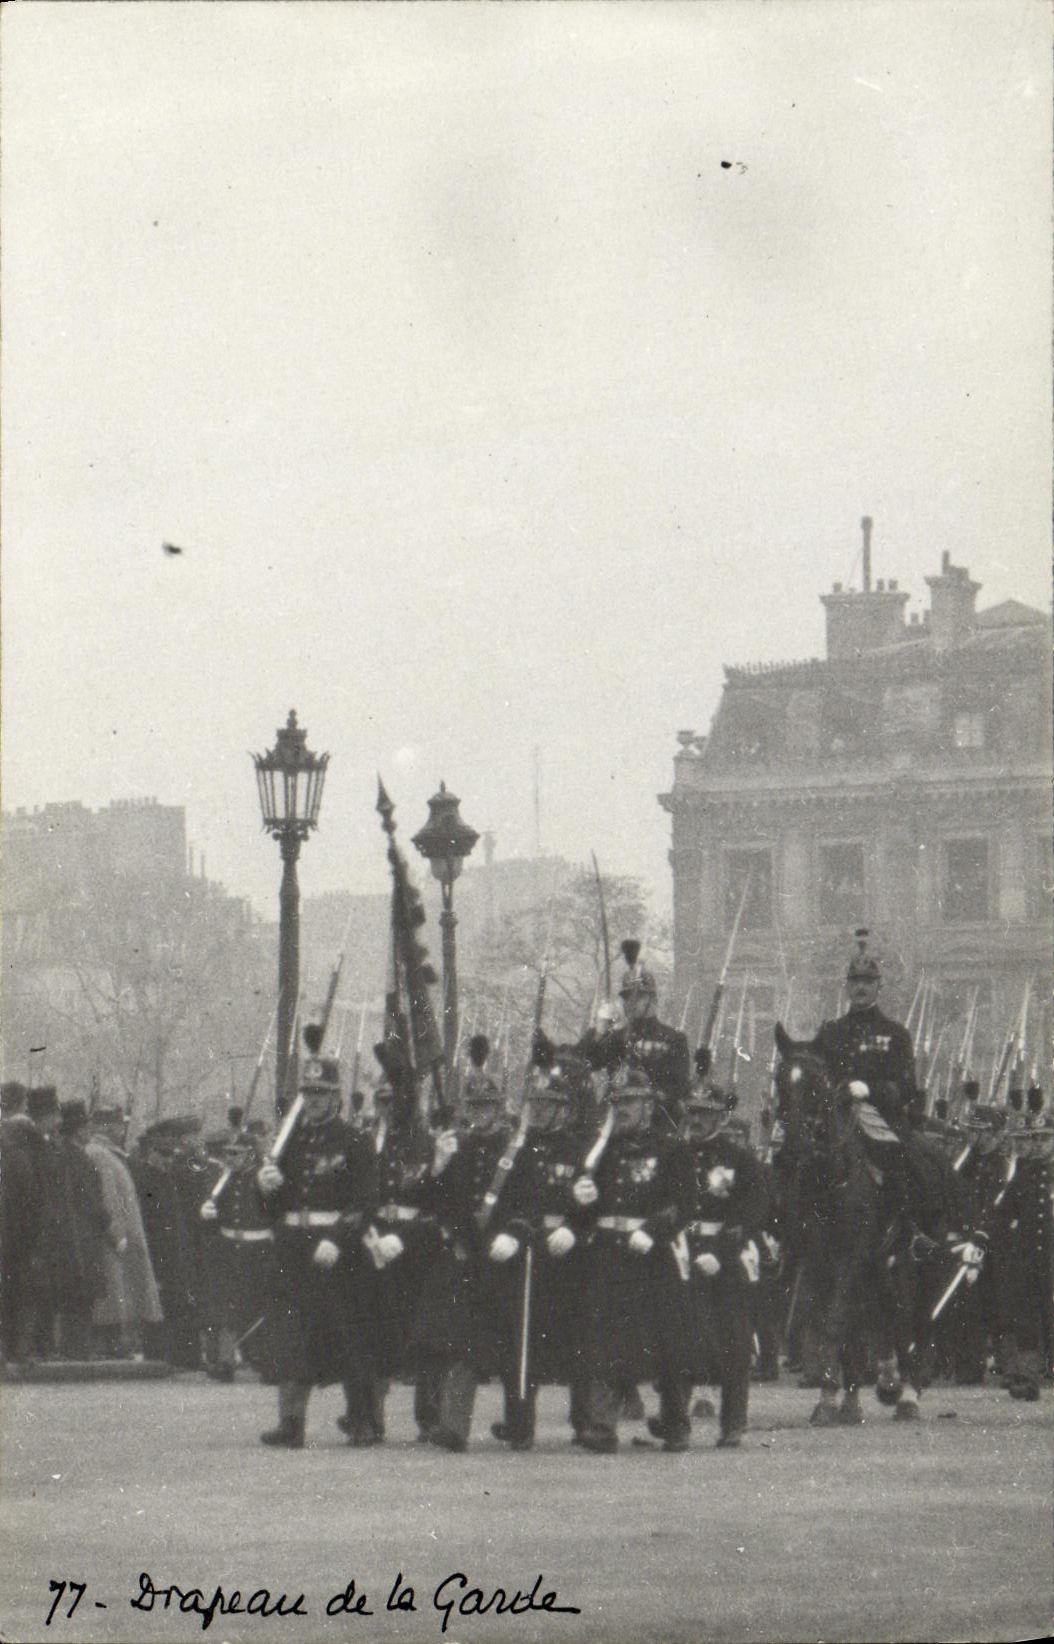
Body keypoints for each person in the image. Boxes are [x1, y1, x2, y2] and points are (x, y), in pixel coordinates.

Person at [256, 1037, 379, 1448]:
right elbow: (273, 1207)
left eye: (321, 1094)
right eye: (307, 1094)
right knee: (293, 1336)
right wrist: (267, 1187)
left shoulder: (354, 1141)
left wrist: (340, 1238)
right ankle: (291, 1422)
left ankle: (362, 1419)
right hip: (294, 1249)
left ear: (335, 1098)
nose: (312, 1101)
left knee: (347, 1337)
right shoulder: (288, 1144)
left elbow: (365, 1202)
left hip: (337, 1252)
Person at [569, 1066, 694, 1454]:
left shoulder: (671, 1148)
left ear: (649, 1105)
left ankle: (675, 1424)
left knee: (666, 1341)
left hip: (652, 1256)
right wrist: (581, 1197)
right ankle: (603, 1426)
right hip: (609, 1253)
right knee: (605, 1338)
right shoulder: (602, 1151)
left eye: (630, 1102)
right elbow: (584, 1210)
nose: (622, 1109)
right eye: (617, 1102)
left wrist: (654, 1230)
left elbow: (685, 1203)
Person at [657, 1055, 770, 1449]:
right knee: (675, 1340)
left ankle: (733, 1421)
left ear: (722, 1116)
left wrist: (721, 1252)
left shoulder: (741, 1161)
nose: (697, 1119)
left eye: (706, 1112)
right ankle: (675, 1424)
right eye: (693, 1111)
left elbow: (749, 1214)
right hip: (681, 1251)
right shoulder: (674, 1156)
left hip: (727, 1256)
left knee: (733, 1342)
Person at [409, 1068, 511, 1452]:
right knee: (445, 1341)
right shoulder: (455, 1147)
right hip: (459, 1257)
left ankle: (517, 1424)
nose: (480, 1112)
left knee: (500, 1347)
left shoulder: (512, 1148)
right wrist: (437, 1164)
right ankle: (445, 1424)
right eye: (475, 1106)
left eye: (487, 1106)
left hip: (499, 1257)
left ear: (499, 1108)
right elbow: (423, 1198)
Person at [814, 930, 917, 1127]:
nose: (861, 987)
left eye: (868, 982)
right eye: (855, 981)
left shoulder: (896, 1034)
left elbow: (907, 1087)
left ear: (879, 986)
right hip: (835, 1121)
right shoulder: (830, 1032)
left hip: (883, 1121)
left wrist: (870, 1089)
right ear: (846, 986)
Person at [85, 1106, 162, 1359]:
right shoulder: (101, 1155)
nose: (121, 1130)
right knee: (114, 1291)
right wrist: (118, 1234)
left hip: (119, 1235)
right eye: (118, 1125)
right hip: (114, 1239)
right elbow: (108, 1198)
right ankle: (111, 1343)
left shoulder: (107, 1154)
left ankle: (115, 1341)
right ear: (109, 1127)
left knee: (119, 1291)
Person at [56, 1101, 113, 1359]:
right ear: (76, 1129)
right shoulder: (78, 1158)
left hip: (70, 1235)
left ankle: (74, 1347)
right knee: (82, 1295)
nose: (90, 1129)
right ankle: (79, 1349)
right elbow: (92, 1201)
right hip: (84, 1235)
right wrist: (106, 1220)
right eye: (86, 1125)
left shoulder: (63, 1155)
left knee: (74, 1295)